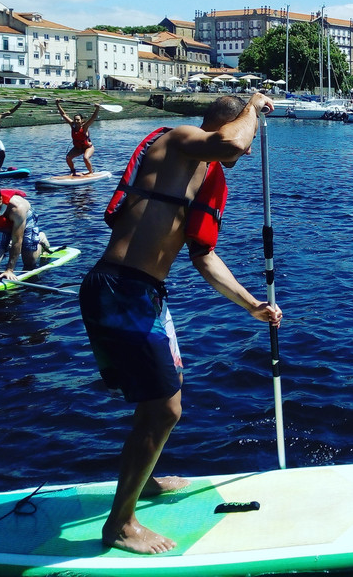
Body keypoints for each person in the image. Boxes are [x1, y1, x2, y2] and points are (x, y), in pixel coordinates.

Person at [79, 93, 281, 555]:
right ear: (223, 123)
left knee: (164, 396)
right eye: (244, 133)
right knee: (164, 410)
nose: (247, 152)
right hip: (120, 289)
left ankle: (141, 483)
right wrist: (253, 105)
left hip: (146, 295)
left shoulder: (202, 175)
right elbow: (232, 145)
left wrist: (252, 305)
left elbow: (203, 256)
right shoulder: (180, 140)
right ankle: (120, 525)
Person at [55, 100, 101, 175]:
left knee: (85, 158)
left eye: (78, 120)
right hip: (78, 148)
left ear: (82, 120)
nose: (76, 121)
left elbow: (93, 118)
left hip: (88, 147)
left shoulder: (85, 127)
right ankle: (73, 171)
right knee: (68, 158)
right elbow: (63, 115)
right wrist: (57, 104)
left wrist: (97, 108)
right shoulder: (72, 125)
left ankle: (90, 172)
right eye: (75, 119)